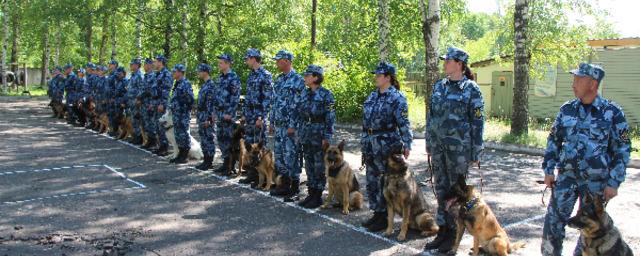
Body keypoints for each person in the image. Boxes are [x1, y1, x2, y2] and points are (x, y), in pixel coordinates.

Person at [540, 63, 631, 256]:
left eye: (579, 79)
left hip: (595, 186)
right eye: (574, 79)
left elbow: (622, 150)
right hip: (566, 180)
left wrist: (614, 182)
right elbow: (554, 141)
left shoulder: (612, 113)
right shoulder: (567, 110)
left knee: (589, 232)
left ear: (593, 84)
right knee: (553, 225)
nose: (573, 84)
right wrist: (549, 169)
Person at [422, 47, 484, 254]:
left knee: (455, 194)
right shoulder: (439, 86)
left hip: (458, 150)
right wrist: (429, 142)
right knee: (440, 188)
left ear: (459, 64)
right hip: (439, 148)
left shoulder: (471, 89)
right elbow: (431, 117)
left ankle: (454, 235)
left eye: (448, 60)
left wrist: (475, 152)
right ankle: (443, 231)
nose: (445, 63)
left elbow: (477, 122)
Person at [360, 61, 413, 232]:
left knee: (385, 181)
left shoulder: (397, 98)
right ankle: (377, 212)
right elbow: (365, 121)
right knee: (372, 179)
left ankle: (385, 216)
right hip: (370, 142)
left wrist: (407, 143)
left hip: (387, 144)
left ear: (388, 77)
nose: (376, 77)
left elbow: (403, 122)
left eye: (379, 75)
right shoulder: (372, 96)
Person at [293, 64, 336, 208]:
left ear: (316, 77)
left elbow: (330, 117)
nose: (305, 77)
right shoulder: (304, 93)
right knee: (309, 164)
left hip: (319, 133)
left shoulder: (326, 94)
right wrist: (299, 132)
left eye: (308, 75)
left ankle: (317, 195)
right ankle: (311, 193)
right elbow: (299, 114)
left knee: (318, 165)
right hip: (306, 132)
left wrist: (327, 136)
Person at [269, 50, 305, 201]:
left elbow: (299, 105)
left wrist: (293, 125)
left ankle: (295, 188)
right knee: (280, 156)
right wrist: (272, 121)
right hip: (279, 125)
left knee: (292, 156)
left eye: (279, 60)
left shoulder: (298, 80)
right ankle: (284, 185)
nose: (276, 63)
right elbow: (275, 102)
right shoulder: (279, 80)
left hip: (290, 127)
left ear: (287, 61)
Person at [239, 48, 273, 187]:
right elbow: (248, 98)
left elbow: (268, 97)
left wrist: (261, 116)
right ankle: (252, 174)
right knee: (249, 146)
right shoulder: (251, 75)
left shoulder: (265, 75)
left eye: (247, 58)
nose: (246, 61)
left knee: (259, 147)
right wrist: (244, 114)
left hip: (258, 116)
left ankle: (262, 177)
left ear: (254, 58)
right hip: (250, 116)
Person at [212, 54, 241, 175]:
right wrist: (214, 112)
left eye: (221, 63)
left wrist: (230, 113)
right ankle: (225, 163)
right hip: (219, 114)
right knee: (221, 138)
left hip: (228, 115)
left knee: (230, 140)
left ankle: (231, 166)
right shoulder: (220, 78)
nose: (219, 65)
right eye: (219, 63)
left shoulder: (233, 77)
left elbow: (235, 97)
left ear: (228, 63)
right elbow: (216, 96)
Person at [168, 64, 195, 164]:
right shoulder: (177, 83)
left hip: (182, 114)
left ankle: (184, 155)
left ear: (180, 72)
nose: (173, 73)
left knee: (183, 134)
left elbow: (190, 99)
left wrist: (183, 108)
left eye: (174, 71)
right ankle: (180, 154)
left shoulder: (185, 83)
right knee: (178, 134)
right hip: (176, 113)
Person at [194, 63, 217, 171]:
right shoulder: (205, 85)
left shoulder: (211, 85)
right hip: (202, 115)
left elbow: (211, 103)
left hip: (207, 115)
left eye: (199, 71)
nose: (198, 73)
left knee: (208, 138)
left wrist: (209, 118)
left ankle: (209, 161)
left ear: (205, 72)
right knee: (203, 138)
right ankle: (206, 160)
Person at [151, 55, 173, 156]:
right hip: (155, 102)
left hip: (161, 103)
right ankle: (160, 146)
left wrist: (162, 104)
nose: (154, 64)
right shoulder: (157, 74)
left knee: (162, 126)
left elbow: (166, 90)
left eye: (155, 61)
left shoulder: (166, 74)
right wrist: (152, 103)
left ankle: (164, 147)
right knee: (156, 125)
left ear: (160, 62)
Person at [140, 58, 158, 149]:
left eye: (146, 64)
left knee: (151, 123)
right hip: (144, 103)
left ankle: (153, 142)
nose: (144, 66)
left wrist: (140, 96)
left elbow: (150, 90)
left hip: (150, 103)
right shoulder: (146, 76)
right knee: (146, 123)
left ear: (150, 65)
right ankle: (149, 141)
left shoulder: (153, 76)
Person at [127, 58, 145, 145]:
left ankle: (140, 138)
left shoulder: (140, 76)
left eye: (132, 64)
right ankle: (136, 137)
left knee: (137, 120)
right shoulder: (133, 75)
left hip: (136, 101)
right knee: (133, 120)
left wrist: (139, 99)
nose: (131, 65)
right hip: (131, 101)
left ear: (137, 65)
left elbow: (142, 88)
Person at [113, 67, 129, 139]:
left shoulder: (125, 81)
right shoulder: (118, 81)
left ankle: (123, 134)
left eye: (120, 74)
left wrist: (123, 102)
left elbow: (126, 93)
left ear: (124, 74)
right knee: (117, 118)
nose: (118, 75)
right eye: (118, 74)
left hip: (122, 103)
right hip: (117, 102)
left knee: (122, 119)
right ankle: (119, 133)